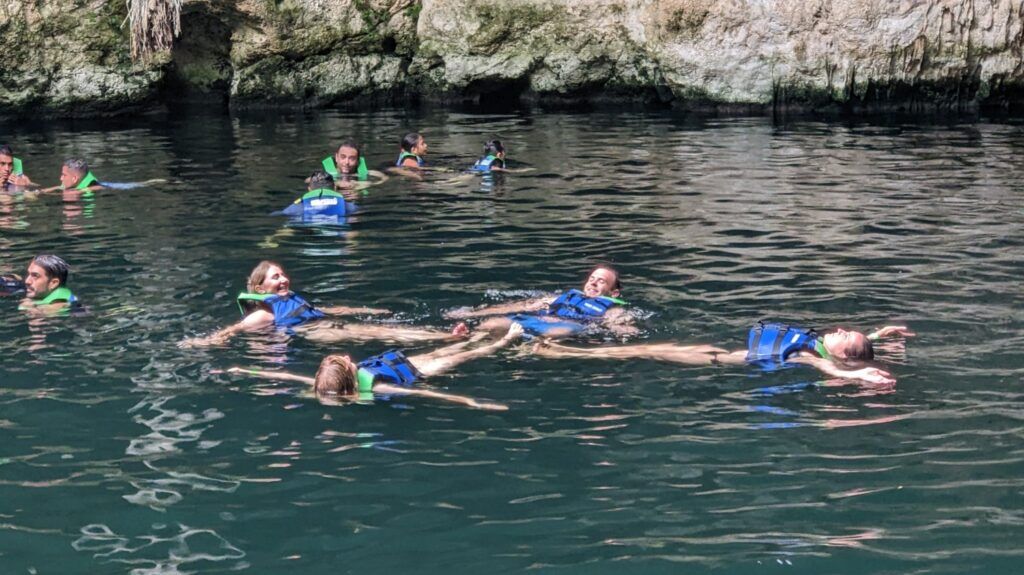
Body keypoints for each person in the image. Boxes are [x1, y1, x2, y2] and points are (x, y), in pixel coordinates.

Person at [222, 323, 524, 410]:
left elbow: (285, 374)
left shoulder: (320, 387)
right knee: (463, 356)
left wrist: (246, 371)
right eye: (348, 363)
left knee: (448, 347)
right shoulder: (378, 387)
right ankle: (503, 341)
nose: (351, 358)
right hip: (421, 373)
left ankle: (477, 334)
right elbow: (429, 396)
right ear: (350, 379)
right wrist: (470, 401)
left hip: (405, 362)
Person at [181, 260, 470, 347]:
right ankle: (445, 337)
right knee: (379, 334)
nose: (282, 280)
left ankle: (441, 337)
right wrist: (203, 342)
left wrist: (366, 310)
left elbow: (329, 309)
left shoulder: (289, 298)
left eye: (282, 274)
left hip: (325, 322)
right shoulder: (264, 313)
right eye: (274, 277)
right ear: (259, 288)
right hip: (318, 333)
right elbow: (233, 329)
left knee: (379, 327)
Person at [531, 322, 916, 384]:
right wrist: (878, 334)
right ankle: (566, 352)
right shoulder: (824, 347)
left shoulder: (812, 357)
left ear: (845, 356)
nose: (838, 329)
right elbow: (848, 355)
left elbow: (827, 368)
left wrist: (853, 375)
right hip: (722, 352)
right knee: (645, 349)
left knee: (642, 350)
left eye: (844, 335)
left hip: (721, 361)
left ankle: (564, 354)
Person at [445, 265, 636, 339]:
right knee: (492, 323)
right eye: (592, 278)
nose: (593, 282)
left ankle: (519, 344)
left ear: (614, 292)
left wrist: (626, 333)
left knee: (555, 332)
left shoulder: (612, 308)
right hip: (539, 319)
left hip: (567, 326)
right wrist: (472, 314)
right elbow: (522, 306)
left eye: (601, 281)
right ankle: (467, 337)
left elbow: (620, 325)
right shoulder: (563, 297)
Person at [276, 171, 355, 219]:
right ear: (334, 188)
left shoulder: (299, 206)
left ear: (309, 189)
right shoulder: (347, 206)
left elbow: (281, 213)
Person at [39, 158, 105, 193]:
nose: (61, 178)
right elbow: (60, 187)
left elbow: (99, 187)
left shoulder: (94, 185)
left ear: (74, 179)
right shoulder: (73, 183)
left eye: (64, 175)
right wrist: (40, 192)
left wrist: (78, 192)